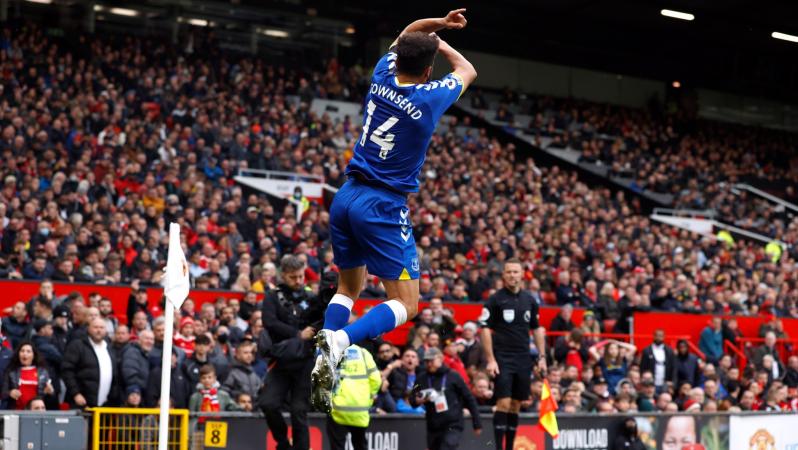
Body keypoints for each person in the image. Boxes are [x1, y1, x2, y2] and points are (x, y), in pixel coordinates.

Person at [312, 8, 477, 413]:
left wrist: (436, 27)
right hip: (382, 204)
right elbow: (467, 68)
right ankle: (339, 340)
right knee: (408, 304)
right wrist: (441, 40)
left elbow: (408, 33)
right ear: (426, 71)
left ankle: (325, 355)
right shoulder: (429, 97)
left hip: (346, 195)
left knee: (348, 289)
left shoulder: (382, 73)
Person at [480, 259, 546, 450]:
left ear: (522, 274)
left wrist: (542, 357)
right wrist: (491, 359)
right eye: (508, 272)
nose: (512, 275)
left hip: (523, 357)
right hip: (502, 357)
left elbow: (537, 329)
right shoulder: (495, 299)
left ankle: (509, 447)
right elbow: (484, 329)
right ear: (503, 275)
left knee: (516, 403)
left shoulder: (530, 300)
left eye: (516, 272)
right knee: (504, 401)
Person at [260, 255, 324, 450]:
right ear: (283, 276)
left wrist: (309, 332)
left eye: (300, 276)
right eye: (293, 277)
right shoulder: (272, 297)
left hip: (305, 362)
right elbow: (269, 322)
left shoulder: (311, 298)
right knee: (268, 404)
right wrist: (297, 334)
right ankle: (282, 442)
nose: (298, 281)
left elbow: (320, 321)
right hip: (281, 360)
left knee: (299, 411)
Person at [411, 348, 482, 450]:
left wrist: (477, 423)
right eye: (426, 361)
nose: (429, 364)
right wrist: (419, 400)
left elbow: (469, 398)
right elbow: (412, 399)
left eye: (431, 360)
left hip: (453, 423)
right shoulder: (422, 378)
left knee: (447, 447)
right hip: (433, 425)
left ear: (440, 359)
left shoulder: (453, 376)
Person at [326, 345, 381, 450]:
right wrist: (368, 399)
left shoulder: (332, 352)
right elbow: (376, 380)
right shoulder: (364, 353)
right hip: (360, 411)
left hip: (338, 411)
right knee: (360, 446)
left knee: (337, 446)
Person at [61, 317, 119, 408]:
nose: (99, 330)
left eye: (101, 327)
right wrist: (76, 393)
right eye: (95, 327)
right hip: (81, 403)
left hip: (104, 406)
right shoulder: (77, 345)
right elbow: (67, 370)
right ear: (88, 328)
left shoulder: (109, 348)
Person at [1, 342, 55, 409]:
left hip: (36, 413)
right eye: (22, 351)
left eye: (28, 351)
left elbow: (50, 398)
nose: (25, 354)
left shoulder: (43, 372)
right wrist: (10, 393)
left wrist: (50, 392)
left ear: (33, 355)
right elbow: (3, 393)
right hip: (16, 412)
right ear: (18, 354)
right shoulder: (11, 371)